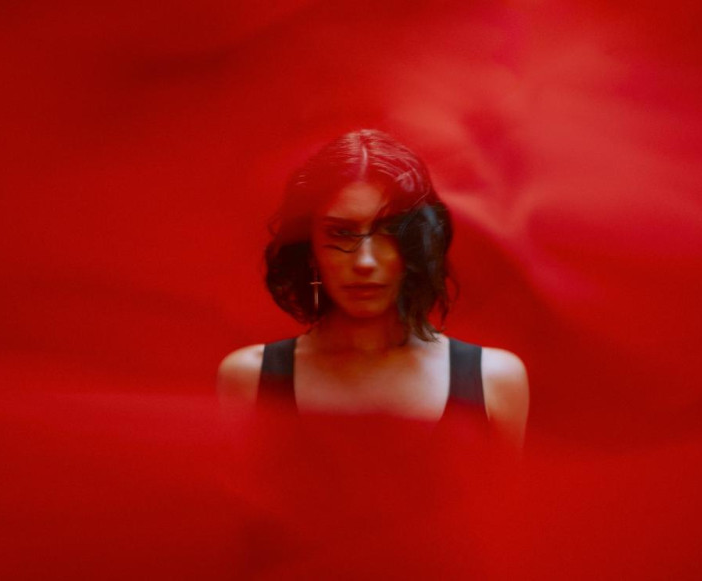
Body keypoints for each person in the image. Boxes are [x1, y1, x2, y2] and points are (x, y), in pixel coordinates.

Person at [217, 129, 528, 446]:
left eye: (388, 232)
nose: (364, 261)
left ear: (417, 244)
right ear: (309, 247)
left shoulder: (494, 379)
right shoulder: (249, 378)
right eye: (341, 233)